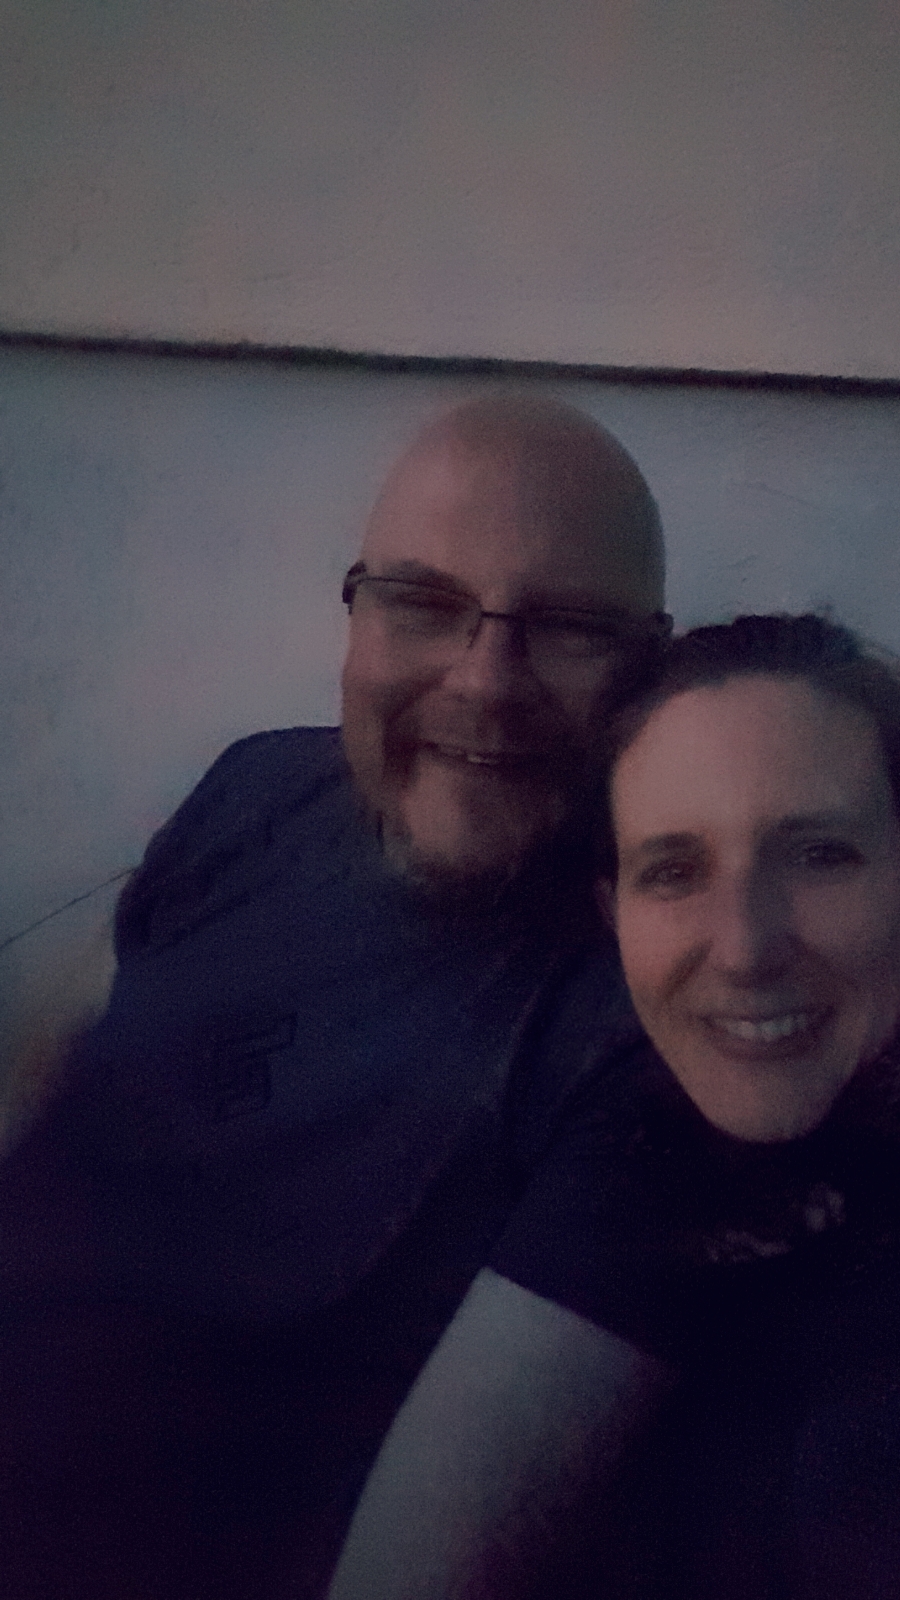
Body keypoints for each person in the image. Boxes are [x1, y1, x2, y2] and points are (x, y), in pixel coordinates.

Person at [332, 613, 900, 1600]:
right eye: (674, 870)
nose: (745, 948)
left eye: (819, 854)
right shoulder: (641, 1148)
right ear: (617, 924)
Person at [0, 394, 671, 1600]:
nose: (486, 679)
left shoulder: (643, 1023)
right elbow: (45, 1081)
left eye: (571, 626)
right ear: (356, 615)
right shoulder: (262, 790)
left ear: (652, 667)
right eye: (423, 601)